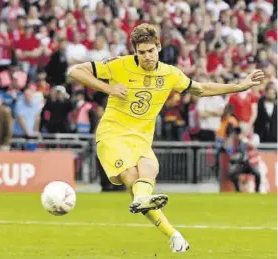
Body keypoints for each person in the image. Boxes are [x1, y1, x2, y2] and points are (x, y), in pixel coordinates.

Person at [68, 23, 265, 253]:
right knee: (131, 177)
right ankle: (151, 208)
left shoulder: (169, 74)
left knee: (150, 168)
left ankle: (173, 234)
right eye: (141, 52)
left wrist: (240, 86)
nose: (146, 56)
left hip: (141, 137)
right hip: (112, 134)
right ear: (135, 52)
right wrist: (107, 88)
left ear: (159, 47)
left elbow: (200, 89)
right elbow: (75, 71)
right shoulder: (119, 65)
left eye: (151, 51)